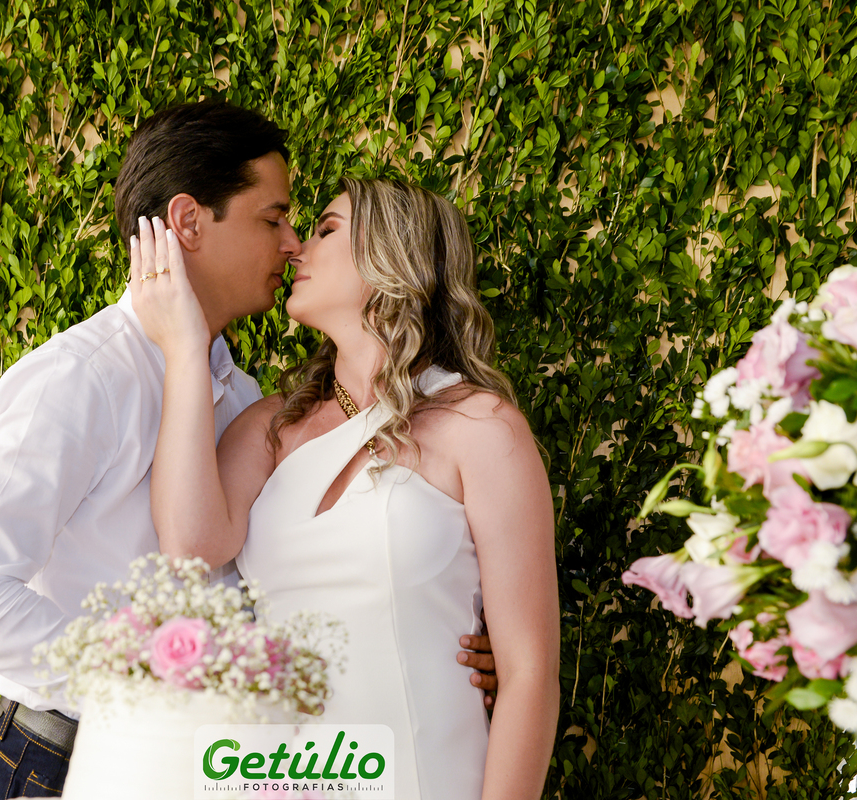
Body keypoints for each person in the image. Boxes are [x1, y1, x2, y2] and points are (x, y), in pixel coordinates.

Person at [0, 102, 498, 798]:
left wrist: (439, 636)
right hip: (60, 759)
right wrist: (151, 686)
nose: (291, 244)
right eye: (273, 219)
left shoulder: (243, 397)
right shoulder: (81, 379)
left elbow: (257, 577)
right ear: (190, 222)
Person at [131, 177, 560, 799]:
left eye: (326, 230)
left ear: (392, 255)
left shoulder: (482, 427)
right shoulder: (270, 427)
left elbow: (529, 674)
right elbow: (190, 545)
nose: (296, 249)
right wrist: (184, 348)